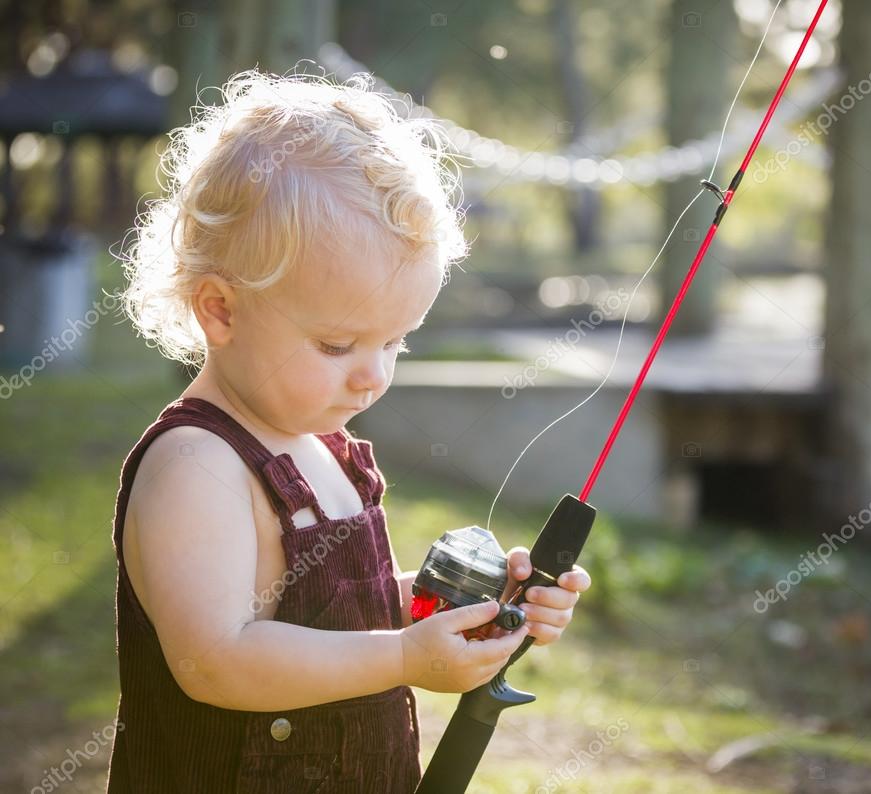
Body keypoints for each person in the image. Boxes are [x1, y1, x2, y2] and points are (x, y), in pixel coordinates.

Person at [105, 69, 591, 793]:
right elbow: (217, 659)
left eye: (396, 341)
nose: (374, 376)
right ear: (220, 310)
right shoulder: (194, 466)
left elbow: (335, 612)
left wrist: (463, 610)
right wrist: (402, 657)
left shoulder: (321, 447)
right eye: (338, 346)